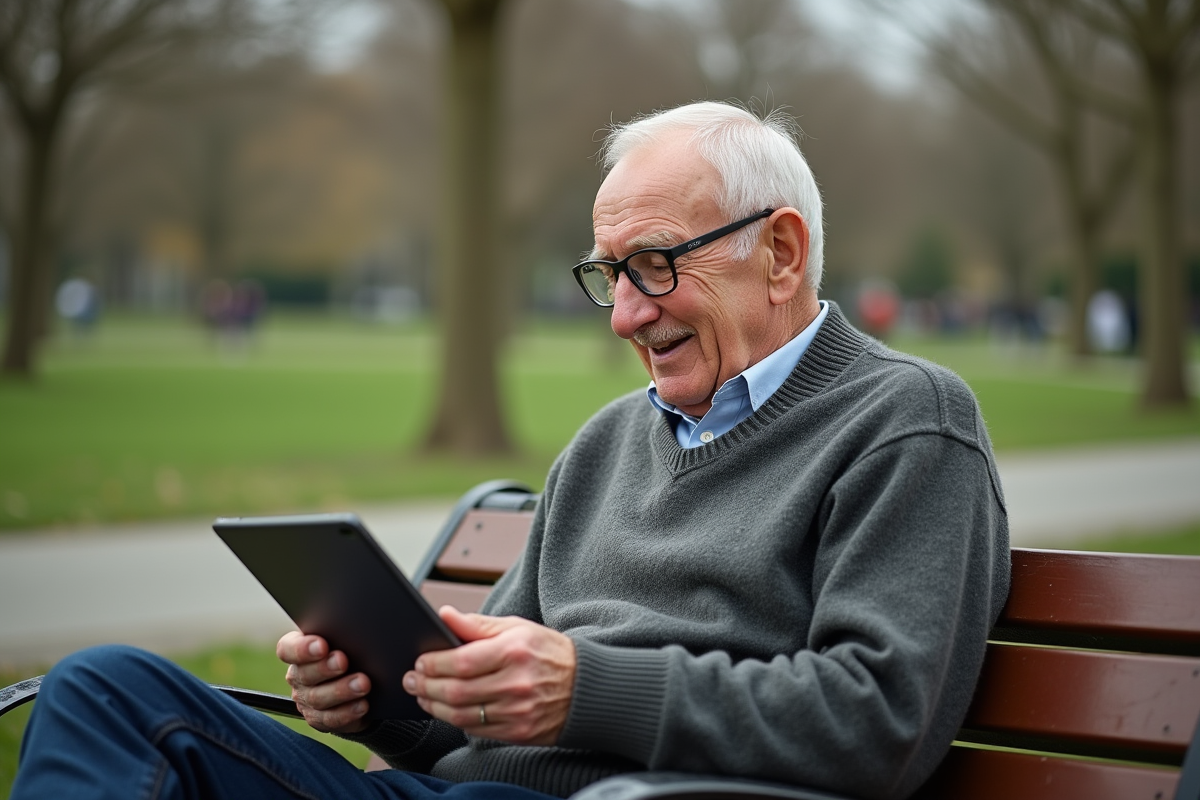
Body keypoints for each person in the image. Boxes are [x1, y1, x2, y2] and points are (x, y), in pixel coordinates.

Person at [12, 102, 1009, 800]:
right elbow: (472, 722)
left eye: (653, 265)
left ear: (781, 252)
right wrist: (375, 704)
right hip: (455, 793)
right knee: (104, 690)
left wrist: (590, 685)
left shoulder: (905, 420)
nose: (624, 314)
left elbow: (882, 720)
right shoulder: (608, 442)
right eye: (608, 275)